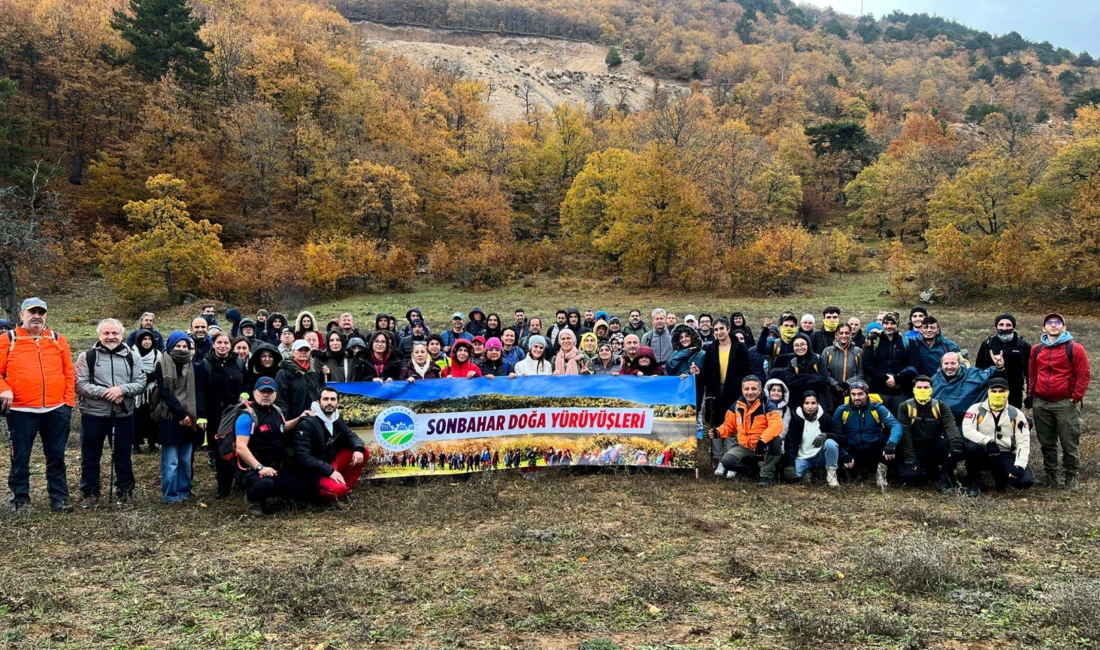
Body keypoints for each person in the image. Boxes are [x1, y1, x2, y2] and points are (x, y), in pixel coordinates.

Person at [0, 297, 76, 514]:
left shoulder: (57, 339)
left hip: (56, 410)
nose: (37, 316)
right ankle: (20, 500)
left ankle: (59, 499)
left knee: (56, 456)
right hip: (21, 411)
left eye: (41, 312)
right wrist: (3, 388)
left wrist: (67, 404)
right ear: (22, 314)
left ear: (46, 315)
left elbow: (68, 373)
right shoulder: (8, 339)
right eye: (32, 312)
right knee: (21, 457)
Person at [74, 318, 146, 508]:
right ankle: (90, 493)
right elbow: (80, 385)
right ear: (99, 335)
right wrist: (108, 393)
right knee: (90, 456)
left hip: (123, 415)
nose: (111, 337)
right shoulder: (87, 357)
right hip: (93, 415)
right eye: (106, 333)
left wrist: (122, 390)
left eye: (115, 333)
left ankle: (126, 491)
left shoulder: (133, 356)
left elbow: (140, 382)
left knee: (123, 455)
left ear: (121, 335)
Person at [1028, 312, 1091, 490]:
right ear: (1044, 328)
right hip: (1041, 402)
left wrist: (1075, 397)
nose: (1053, 325)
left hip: (1065, 402)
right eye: (1049, 323)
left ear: (1064, 327)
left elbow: (1084, 375)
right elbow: (1032, 373)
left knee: (1069, 441)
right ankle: (1051, 476)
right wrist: (1032, 393)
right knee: (1046, 442)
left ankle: (1071, 477)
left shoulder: (1075, 348)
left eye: (1057, 322)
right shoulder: (1037, 350)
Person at [235, 377, 311, 514]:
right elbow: (241, 447)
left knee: (302, 491)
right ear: (254, 393)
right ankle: (252, 499)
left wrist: (300, 418)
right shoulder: (247, 417)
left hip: (275, 466)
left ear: (275, 395)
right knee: (266, 484)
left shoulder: (277, 411)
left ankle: (278, 493)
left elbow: (283, 427)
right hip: (252, 469)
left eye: (269, 392)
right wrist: (260, 468)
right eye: (262, 392)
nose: (265, 395)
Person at [291, 387, 368, 502]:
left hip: (331, 462)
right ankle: (319, 495)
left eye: (333, 399)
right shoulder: (308, 423)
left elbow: (350, 435)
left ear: (338, 402)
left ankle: (347, 489)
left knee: (364, 451)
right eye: (325, 399)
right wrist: (329, 471)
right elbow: (303, 456)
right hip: (314, 470)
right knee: (337, 491)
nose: (329, 402)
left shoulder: (337, 417)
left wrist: (358, 449)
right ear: (318, 402)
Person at [962, 378, 1033, 497]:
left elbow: (1023, 442)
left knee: (1024, 482)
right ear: (988, 391)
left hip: (1004, 453)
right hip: (983, 450)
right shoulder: (976, 409)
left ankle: (1001, 478)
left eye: (1001, 391)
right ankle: (973, 480)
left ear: (1007, 392)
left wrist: (1020, 465)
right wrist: (988, 441)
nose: (997, 394)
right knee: (971, 447)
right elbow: (967, 430)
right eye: (994, 391)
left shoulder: (1016, 414)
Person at [708, 375, 784, 486]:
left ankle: (766, 476)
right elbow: (729, 426)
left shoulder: (768, 405)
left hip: (764, 446)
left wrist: (762, 441)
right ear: (742, 390)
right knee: (727, 461)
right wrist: (717, 432)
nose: (750, 392)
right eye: (746, 389)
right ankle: (754, 469)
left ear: (760, 390)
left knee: (776, 440)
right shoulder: (736, 406)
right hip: (746, 447)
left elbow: (776, 426)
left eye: (754, 389)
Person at [197, 331, 246, 498]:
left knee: (239, 447)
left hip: (238, 413)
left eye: (226, 343)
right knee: (220, 451)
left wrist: (245, 395)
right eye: (219, 343)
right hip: (216, 415)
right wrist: (201, 415)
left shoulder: (238, 361)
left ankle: (240, 481)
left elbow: (246, 382)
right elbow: (201, 392)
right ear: (213, 344)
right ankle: (223, 486)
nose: (223, 346)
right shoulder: (205, 364)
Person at [698, 318, 753, 464]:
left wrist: (742, 388)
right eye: (715, 330)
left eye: (721, 328)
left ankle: (732, 458)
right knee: (716, 423)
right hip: (715, 390)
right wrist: (699, 373)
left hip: (734, 390)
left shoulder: (740, 347)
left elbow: (748, 369)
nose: (719, 332)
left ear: (728, 329)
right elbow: (707, 371)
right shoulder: (710, 349)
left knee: (734, 423)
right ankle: (718, 458)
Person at [154, 331, 201, 504]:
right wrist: (181, 414)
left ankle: (184, 491)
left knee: (185, 459)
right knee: (171, 461)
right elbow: (165, 393)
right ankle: (170, 494)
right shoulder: (162, 364)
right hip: (170, 417)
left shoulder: (194, 367)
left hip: (191, 417)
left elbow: (197, 392)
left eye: (185, 346)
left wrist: (189, 415)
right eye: (178, 346)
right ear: (170, 346)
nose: (181, 349)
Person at [896, 376, 964, 493]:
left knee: (952, 443)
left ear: (931, 389)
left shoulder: (940, 405)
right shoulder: (904, 406)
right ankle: (925, 469)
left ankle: (946, 477)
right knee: (908, 476)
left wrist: (956, 443)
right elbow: (905, 433)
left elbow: (950, 425)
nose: (923, 390)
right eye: (919, 387)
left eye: (926, 387)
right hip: (915, 445)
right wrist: (909, 457)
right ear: (913, 389)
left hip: (935, 444)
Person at [833, 380, 902, 488]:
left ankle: (881, 472)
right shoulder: (842, 410)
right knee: (844, 474)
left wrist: (891, 444)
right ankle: (860, 470)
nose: (856, 397)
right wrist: (843, 454)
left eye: (860, 394)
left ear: (866, 394)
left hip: (873, 447)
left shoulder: (877, 408)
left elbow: (895, 425)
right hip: (853, 448)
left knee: (892, 441)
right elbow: (835, 433)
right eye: (853, 394)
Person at [862, 311, 919, 415]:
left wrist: (897, 379)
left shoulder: (908, 342)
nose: (889, 326)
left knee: (900, 421)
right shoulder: (873, 341)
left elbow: (914, 365)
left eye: (892, 323)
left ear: (897, 324)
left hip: (901, 391)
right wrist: (885, 378)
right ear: (882, 324)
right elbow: (866, 364)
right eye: (886, 323)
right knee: (877, 422)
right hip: (878, 390)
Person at [783, 391, 842, 487]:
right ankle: (809, 474)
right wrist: (790, 464)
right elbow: (791, 443)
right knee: (792, 475)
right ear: (802, 404)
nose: (810, 407)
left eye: (813, 403)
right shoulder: (796, 419)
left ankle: (831, 476)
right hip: (803, 457)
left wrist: (826, 435)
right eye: (806, 403)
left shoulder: (825, 417)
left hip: (821, 456)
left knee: (830, 443)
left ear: (818, 403)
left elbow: (842, 437)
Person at [932, 351, 1005, 428]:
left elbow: (995, 379)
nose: (949, 367)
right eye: (946, 363)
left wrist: (1000, 367)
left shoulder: (972, 375)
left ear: (959, 363)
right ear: (941, 365)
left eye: (953, 363)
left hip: (964, 424)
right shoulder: (935, 379)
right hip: (939, 424)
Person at [975, 313, 1030, 408]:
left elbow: (1030, 372)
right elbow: (978, 369)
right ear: (996, 326)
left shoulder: (1023, 346)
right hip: (991, 389)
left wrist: (1030, 394)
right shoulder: (987, 344)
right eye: (1001, 324)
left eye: (1008, 325)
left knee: (1012, 419)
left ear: (1013, 326)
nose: (1004, 328)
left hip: (1014, 391)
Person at [785, 333, 833, 416]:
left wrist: (800, 379)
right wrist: (814, 376)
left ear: (809, 344)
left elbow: (824, 380)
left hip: (821, 401)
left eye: (802, 344)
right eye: (796, 345)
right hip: (799, 402)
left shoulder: (818, 359)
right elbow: (791, 381)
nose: (799, 348)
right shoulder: (792, 363)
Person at [276, 340, 325, 418]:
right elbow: (280, 400)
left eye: (306, 350)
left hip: (313, 419)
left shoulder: (313, 373)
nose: (304, 352)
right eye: (300, 350)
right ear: (293, 352)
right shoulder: (283, 373)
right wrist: (287, 420)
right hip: (293, 420)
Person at [131, 328, 162, 454]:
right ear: (139, 340)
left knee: (151, 418)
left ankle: (152, 442)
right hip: (136, 392)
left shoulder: (157, 354)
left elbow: (160, 370)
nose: (147, 342)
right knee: (136, 418)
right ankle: (136, 444)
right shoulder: (132, 353)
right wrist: (141, 377)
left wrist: (151, 376)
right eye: (144, 339)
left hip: (151, 391)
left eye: (149, 339)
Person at [822, 323, 862, 407]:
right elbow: (823, 372)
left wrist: (847, 383)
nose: (844, 336)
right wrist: (835, 384)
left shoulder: (858, 351)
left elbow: (862, 373)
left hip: (853, 393)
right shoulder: (827, 351)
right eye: (841, 333)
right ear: (836, 335)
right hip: (832, 393)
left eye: (847, 333)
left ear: (851, 334)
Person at [757, 313, 799, 381]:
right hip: (777, 385)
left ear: (796, 328)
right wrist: (765, 331)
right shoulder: (775, 344)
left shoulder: (799, 344)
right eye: (786, 325)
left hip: (794, 383)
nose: (789, 328)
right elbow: (760, 349)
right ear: (781, 327)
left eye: (792, 326)